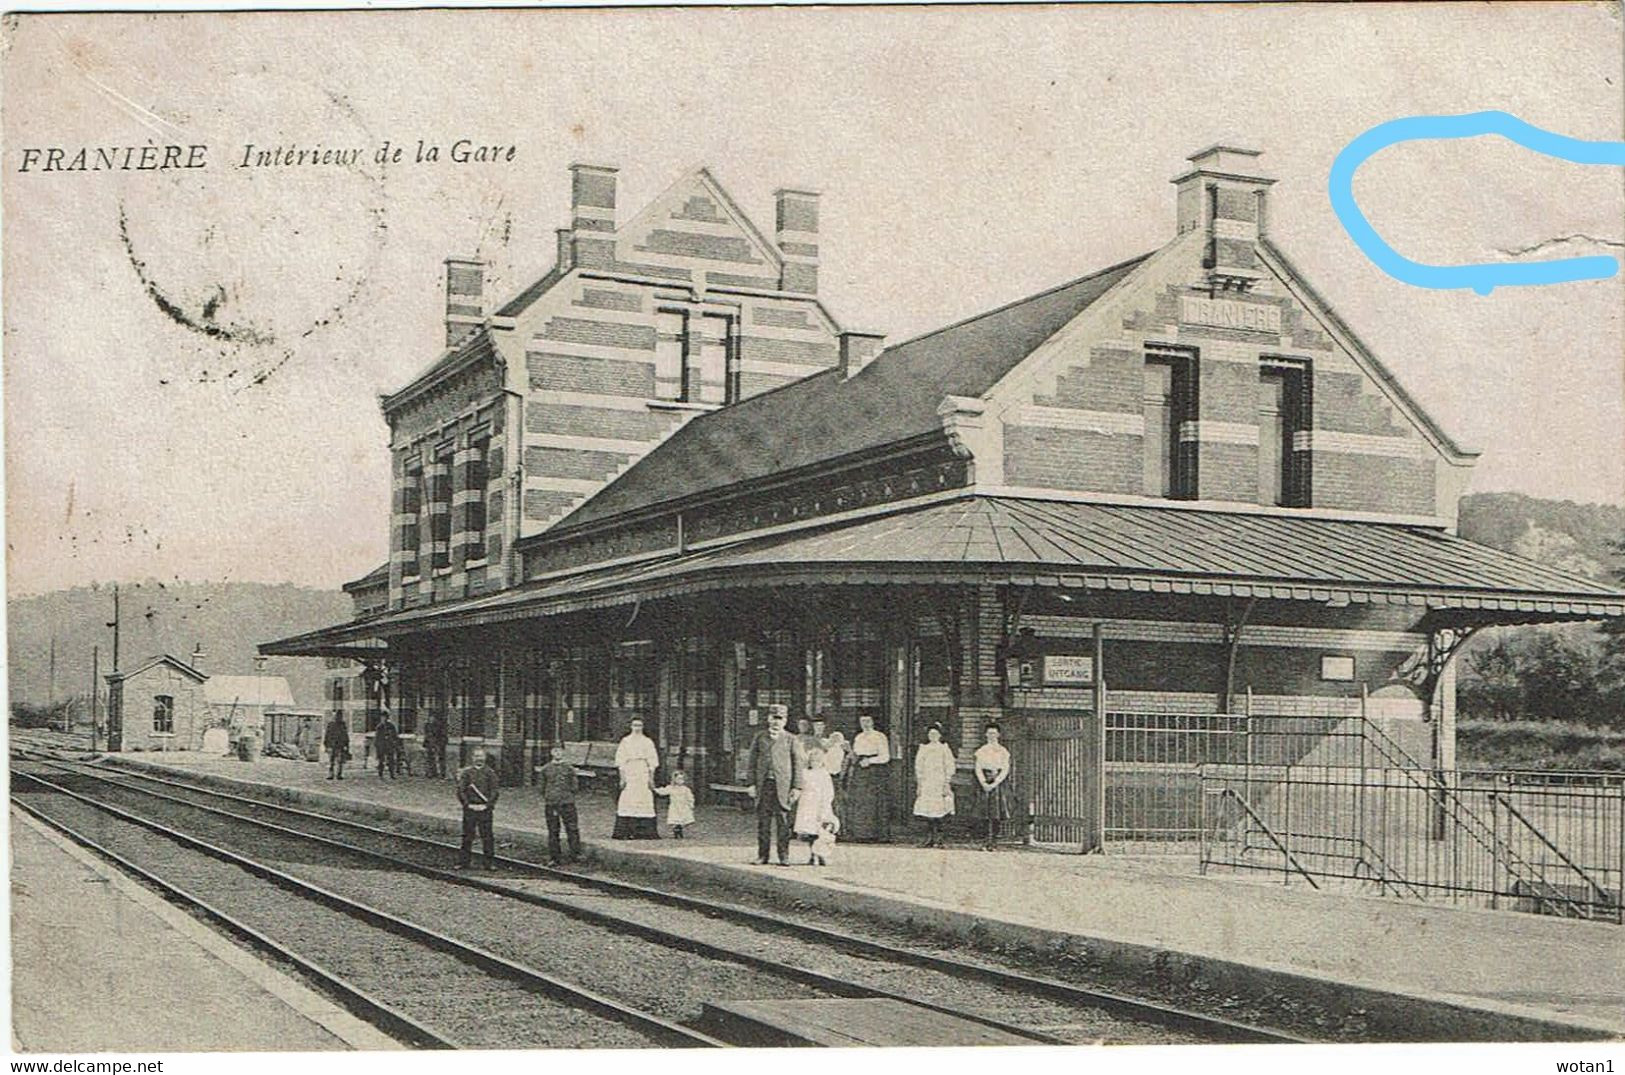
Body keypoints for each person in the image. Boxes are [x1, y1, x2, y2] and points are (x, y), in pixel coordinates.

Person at [746, 705, 804, 865]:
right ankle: (762, 855)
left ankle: (783, 856)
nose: (776, 722)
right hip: (764, 785)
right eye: (774, 718)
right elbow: (751, 762)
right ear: (768, 719)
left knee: (783, 822)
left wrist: (797, 787)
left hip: (783, 787)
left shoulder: (791, 739)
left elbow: (797, 764)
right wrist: (750, 783)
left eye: (780, 719)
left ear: (785, 721)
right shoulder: (760, 737)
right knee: (763, 822)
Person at [844, 712, 891, 842]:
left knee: (875, 802)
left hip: (875, 772)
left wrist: (870, 761)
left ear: (872, 722)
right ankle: (862, 834)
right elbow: (855, 757)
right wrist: (849, 751)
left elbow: (885, 756)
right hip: (860, 771)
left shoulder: (879, 736)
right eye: (862, 721)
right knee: (860, 802)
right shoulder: (858, 737)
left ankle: (878, 835)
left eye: (867, 721)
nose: (865, 724)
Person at [612, 716, 661, 839]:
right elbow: (620, 762)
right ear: (631, 726)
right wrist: (622, 778)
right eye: (635, 725)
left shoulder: (647, 742)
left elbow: (652, 762)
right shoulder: (626, 741)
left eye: (639, 725)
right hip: (630, 771)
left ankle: (644, 831)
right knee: (628, 798)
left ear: (643, 727)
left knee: (644, 798)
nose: (637, 728)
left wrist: (651, 778)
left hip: (642, 771)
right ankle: (626, 831)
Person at [537, 744, 583, 865]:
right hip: (552, 804)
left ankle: (575, 854)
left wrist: (567, 795)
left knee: (572, 828)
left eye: (560, 751)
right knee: (553, 830)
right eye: (555, 751)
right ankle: (555, 857)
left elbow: (575, 786)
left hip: (567, 803)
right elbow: (541, 787)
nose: (557, 753)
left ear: (563, 752)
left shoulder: (569, 769)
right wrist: (550, 796)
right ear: (552, 752)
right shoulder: (546, 769)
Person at [913, 723, 957, 848]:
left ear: (940, 735)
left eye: (935, 734)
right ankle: (929, 838)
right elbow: (919, 767)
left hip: (940, 782)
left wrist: (946, 783)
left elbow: (949, 766)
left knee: (941, 810)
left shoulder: (944, 748)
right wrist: (919, 784)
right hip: (927, 782)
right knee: (928, 811)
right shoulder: (924, 748)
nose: (933, 736)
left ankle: (940, 839)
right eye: (930, 734)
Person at [794, 746, 839, 865]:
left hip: (820, 803)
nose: (815, 763)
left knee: (822, 831)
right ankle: (812, 855)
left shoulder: (824, 774)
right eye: (813, 761)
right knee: (810, 832)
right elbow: (800, 786)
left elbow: (829, 791)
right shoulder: (805, 773)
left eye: (818, 761)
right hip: (807, 803)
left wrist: (825, 805)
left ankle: (822, 854)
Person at [456, 749, 500, 869]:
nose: (479, 758)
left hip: (485, 809)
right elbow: (461, 790)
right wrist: (467, 804)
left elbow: (494, 791)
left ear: (485, 758)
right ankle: (463, 862)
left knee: (487, 836)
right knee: (467, 836)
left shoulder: (490, 773)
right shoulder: (467, 773)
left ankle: (489, 863)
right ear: (472, 758)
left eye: (481, 756)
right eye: (476, 756)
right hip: (470, 808)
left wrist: (487, 805)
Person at [973, 722, 1014, 851]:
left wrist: (995, 783)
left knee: (996, 814)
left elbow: (1005, 769)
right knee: (984, 813)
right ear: (985, 734)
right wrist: (983, 782)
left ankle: (994, 842)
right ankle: (985, 841)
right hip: (984, 782)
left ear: (998, 735)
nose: (992, 735)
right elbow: (978, 767)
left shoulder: (1003, 751)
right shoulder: (981, 750)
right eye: (989, 733)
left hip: (998, 783)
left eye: (994, 733)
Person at [654, 770, 696, 838]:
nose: (680, 781)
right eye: (679, 779)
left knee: (683, 818)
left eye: (682, 779)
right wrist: (655, 789)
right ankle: (676, 830)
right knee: (675, 818)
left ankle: (680, 830)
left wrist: (691, 804)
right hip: (675, 806)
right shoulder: (671, 788)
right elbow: (663, 791)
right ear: (674, 779)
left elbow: (690, 797)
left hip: (683, 806)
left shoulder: (685, 789)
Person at [374, 710, 402, 780]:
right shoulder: (379, 727)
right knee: (381, 761)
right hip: (382, 746)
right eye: (382, 717)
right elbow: (377, 737)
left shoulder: (391, 726)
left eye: (385, 717)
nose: (384, 719)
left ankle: (392, 774)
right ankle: (380, 774)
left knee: (391, 761)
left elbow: (395, 735)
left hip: (389, 745)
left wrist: (396, 743)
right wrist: (377, 746)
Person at [323, 714, 351, 780]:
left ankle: (339, 774)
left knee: (339, 761)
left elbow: (345, 735)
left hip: (340, 746)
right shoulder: (330, 725)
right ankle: (330, 774)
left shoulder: (342, 725)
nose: (336, 718)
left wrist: (346, 745)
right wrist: (326, 745)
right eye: (335, 717)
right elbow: (327, 735)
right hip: (331, 745)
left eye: (338, 717)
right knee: (331, 761)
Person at [422, 711, 448, 779]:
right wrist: (425, 743)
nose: (431, 719)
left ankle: (441, 774)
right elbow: (426, 735)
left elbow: (443, 735)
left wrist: (440, 744)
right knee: (429, 759)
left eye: (432, 718)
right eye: (430, 718)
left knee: (439, 759)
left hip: (437, 744)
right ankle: (431, 773)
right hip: (429, 744)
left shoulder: (439, 726)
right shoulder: (427, 725)